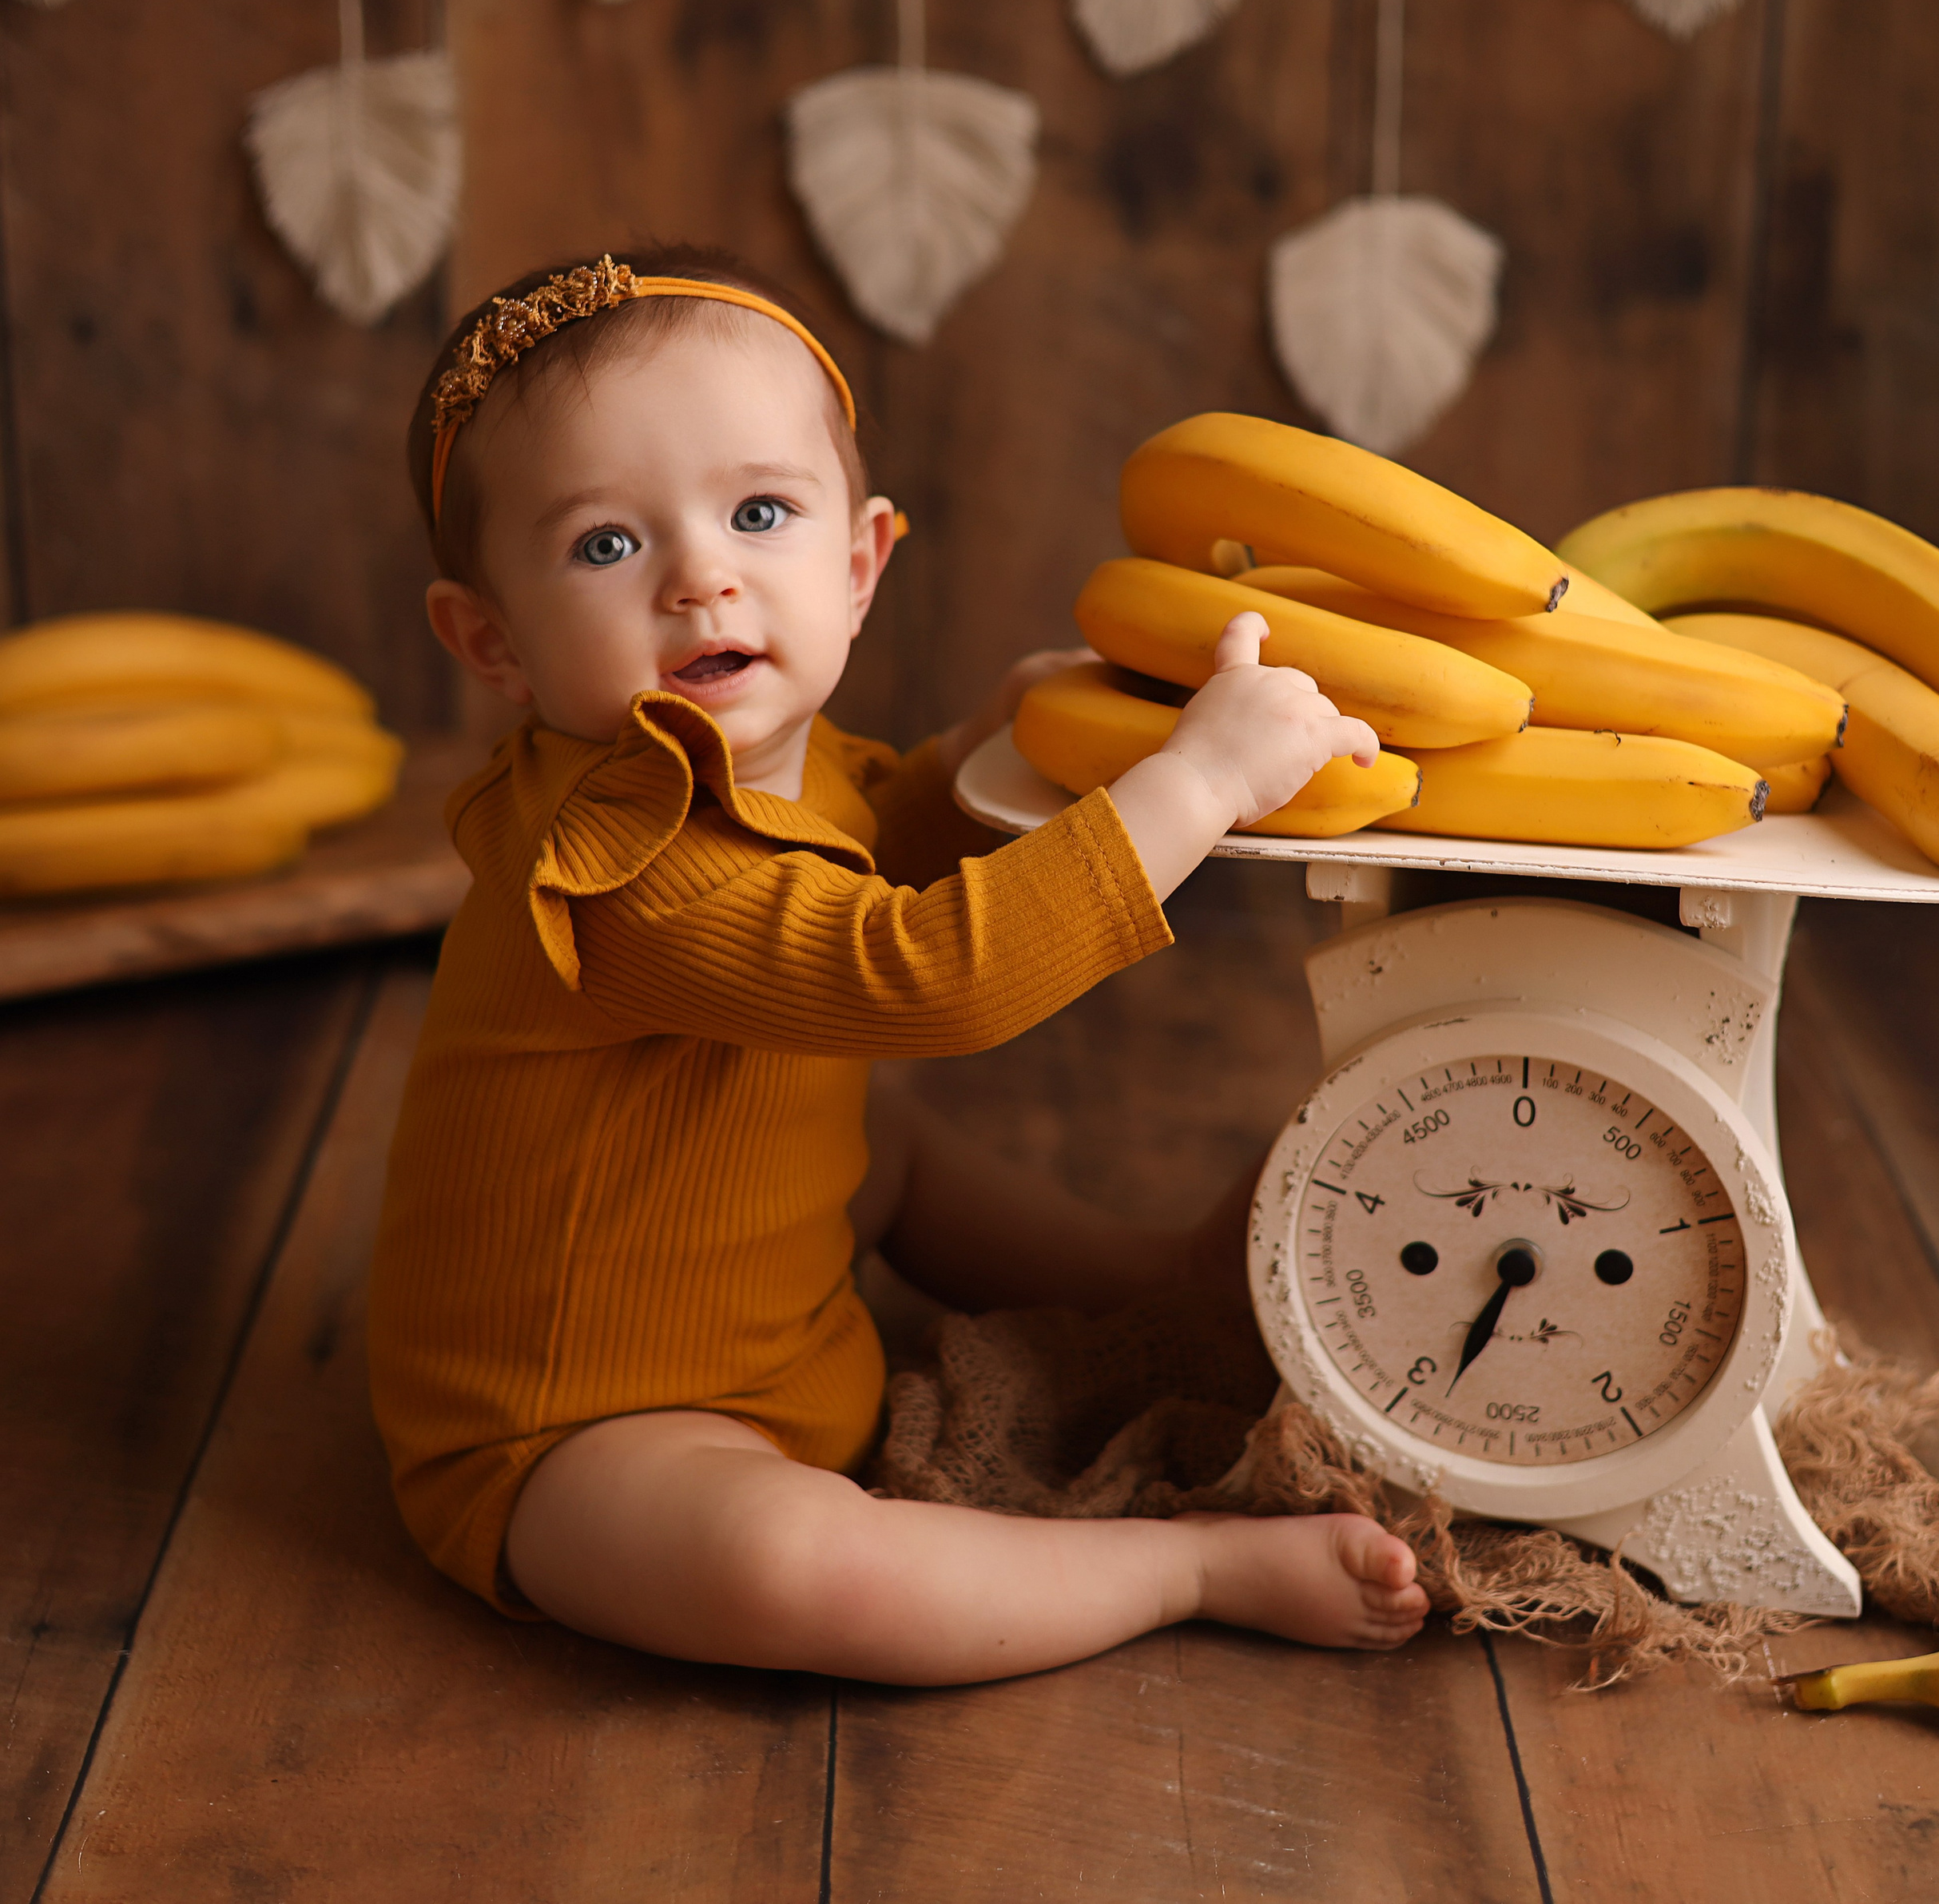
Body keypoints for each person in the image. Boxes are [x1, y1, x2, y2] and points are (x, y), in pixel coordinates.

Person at [368, 246, 1429, 1685]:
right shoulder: (616, 857)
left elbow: (877, 835)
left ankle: (1141, 1281)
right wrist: (1201, 785)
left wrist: (1006, 733)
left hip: (776, 1309)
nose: (701, 578)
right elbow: (924, 975)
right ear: (488, 639)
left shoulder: (780, 768)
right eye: (607, 545)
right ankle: (1186, 1565)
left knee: (887, 1146)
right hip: (584, 1428)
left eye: (757, 513)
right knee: (788, 1567)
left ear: (858, 565)